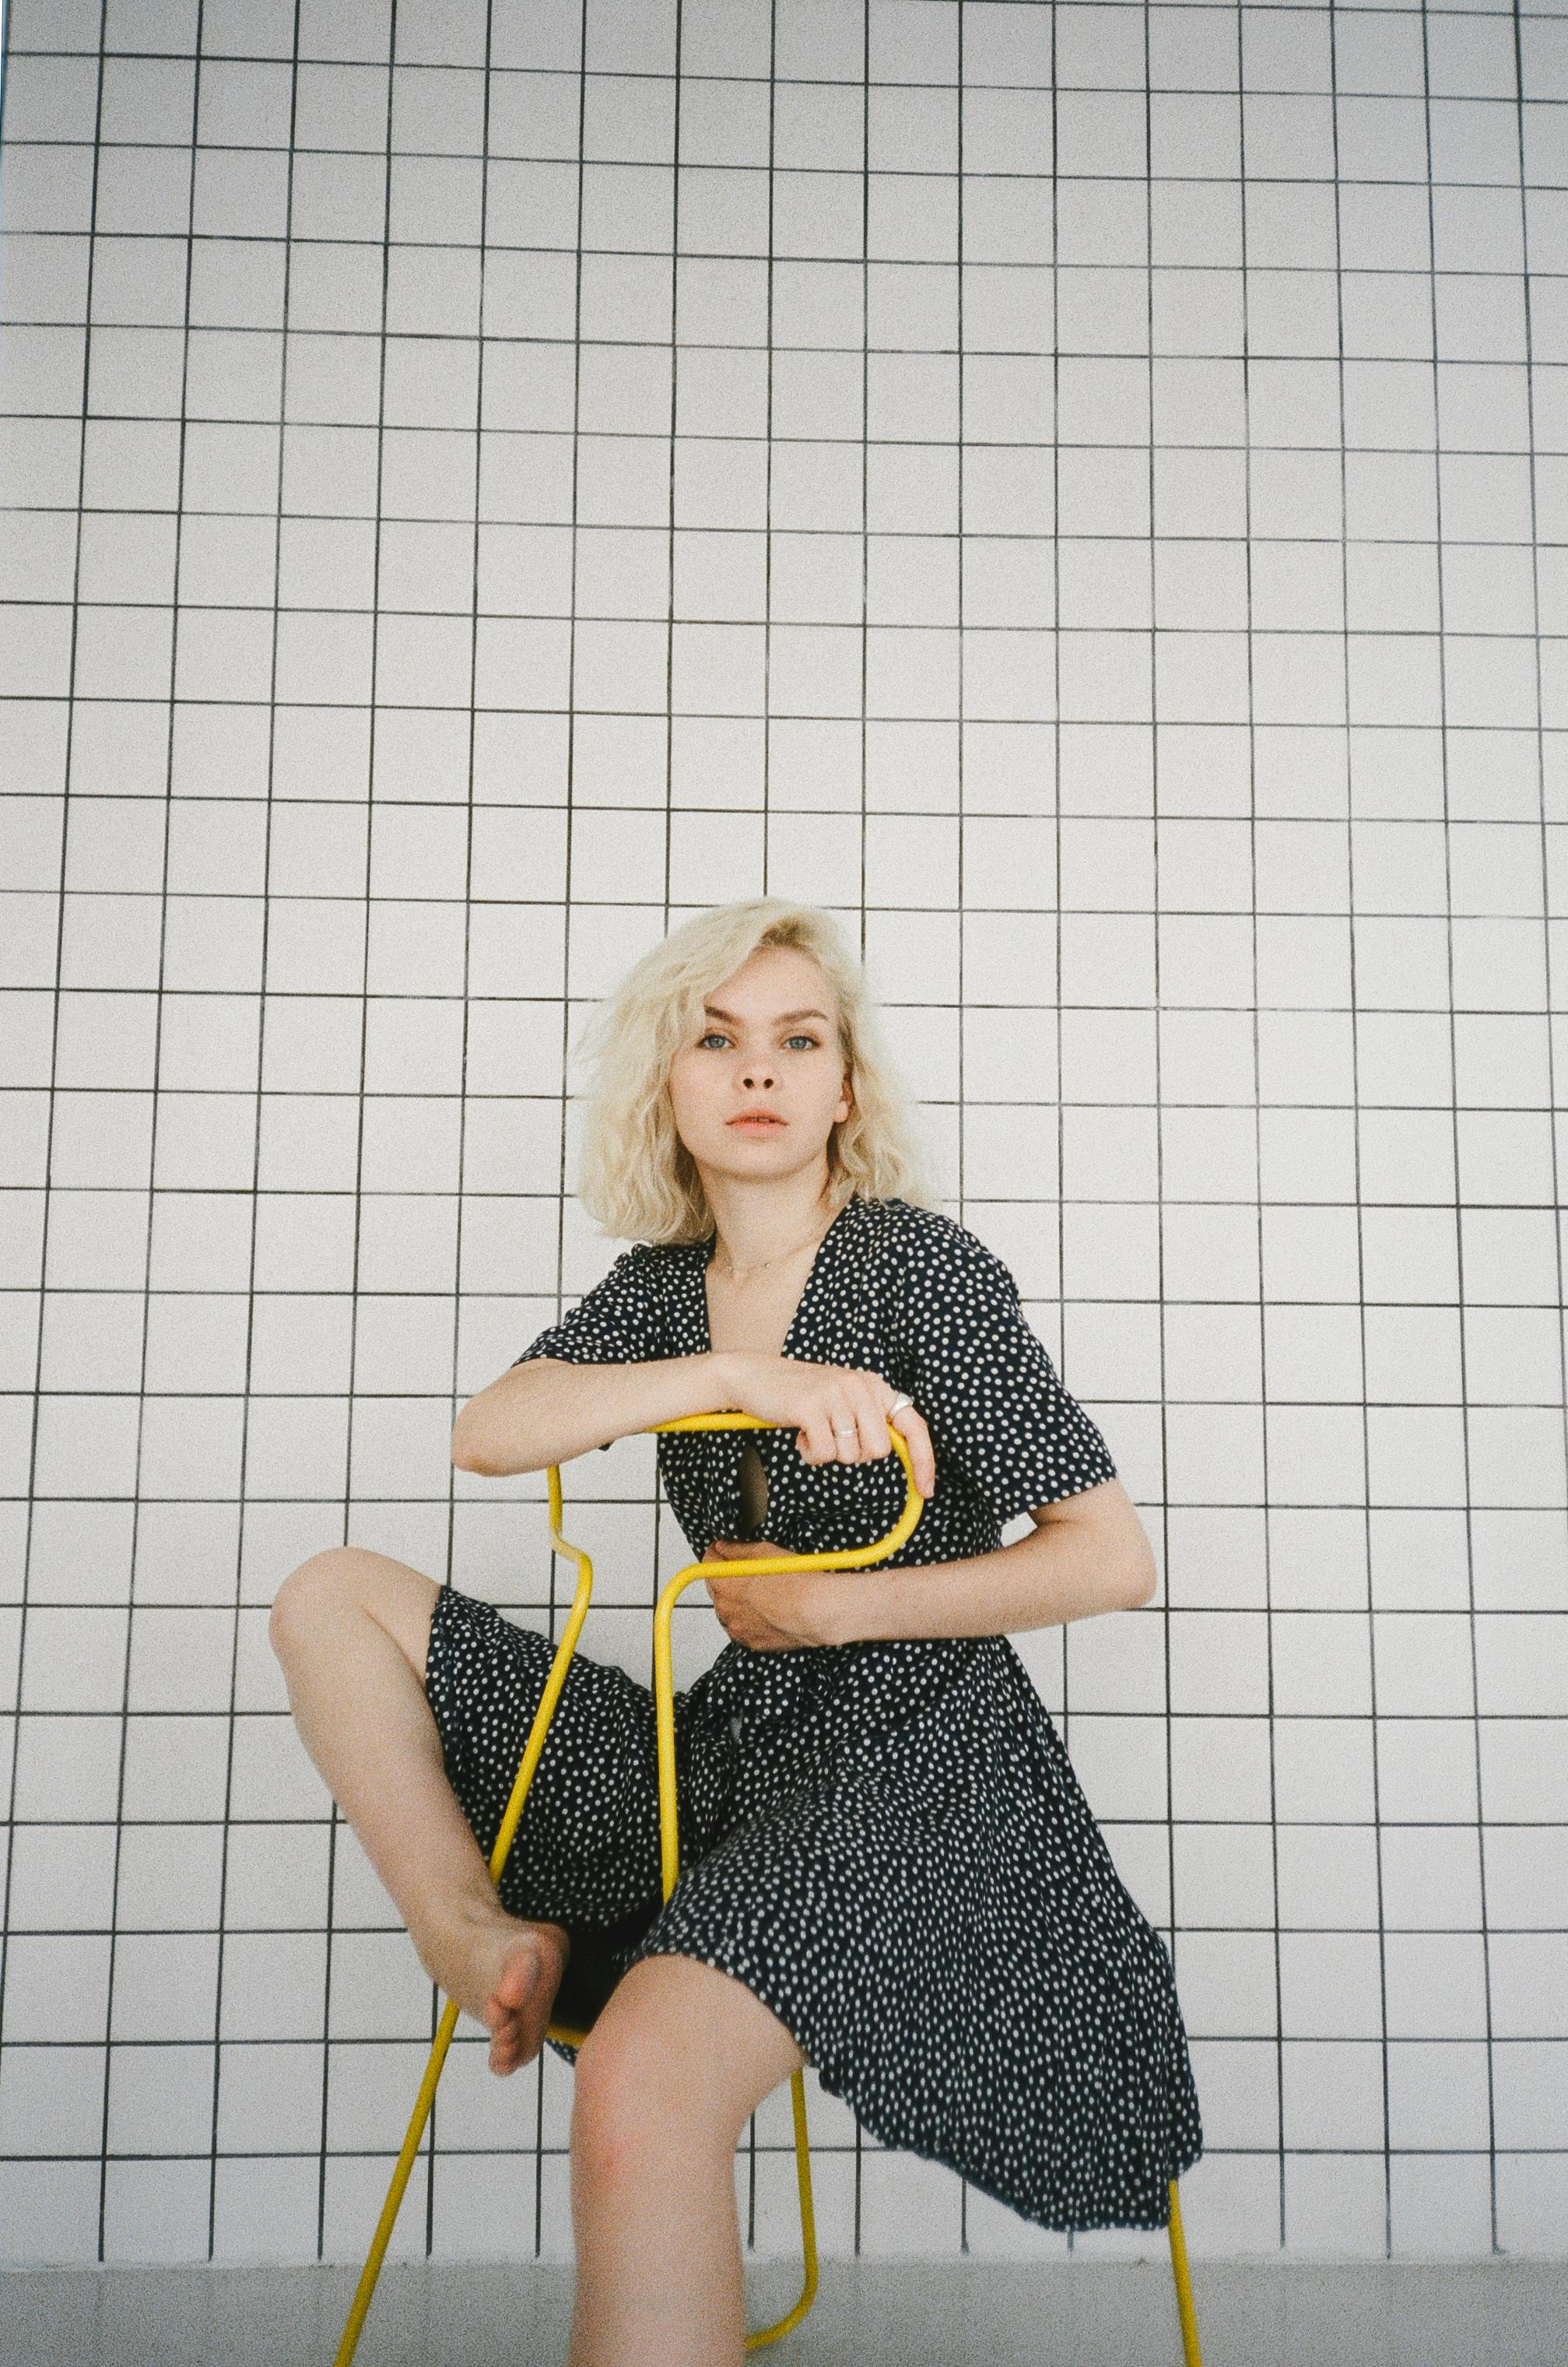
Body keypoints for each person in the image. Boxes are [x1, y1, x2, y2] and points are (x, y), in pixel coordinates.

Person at [269, 895, 1201, 2367]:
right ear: (671, 1082)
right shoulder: (660, 1292)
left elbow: (1110, 1557)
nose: (756, 1069)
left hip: (919, 1763)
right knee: (331, 1594)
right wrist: (734, 1375)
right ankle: (474, 1931)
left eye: (797, 1039)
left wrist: (835, 1605)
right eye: (717, 1039)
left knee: (638, 2080)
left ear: (845, 1086)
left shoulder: (917, 1266)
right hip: (721, 1749)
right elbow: (491, 1430)